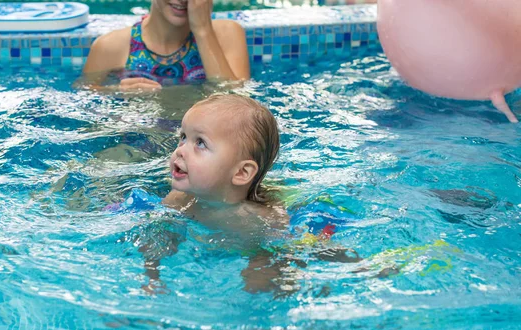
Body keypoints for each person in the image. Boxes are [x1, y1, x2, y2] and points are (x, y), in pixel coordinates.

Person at [111, 93, 360, 295]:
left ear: (241, 173)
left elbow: (287, 249)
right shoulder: (180, 199)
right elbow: (160, 241)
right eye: (183, 137)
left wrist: (265, 269)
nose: (180, 151)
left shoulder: (256, 220)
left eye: (200, 143)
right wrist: (152, 276)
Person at [82, 0, 250, 91]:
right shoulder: (111, 46)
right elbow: (85, 95)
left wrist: (203, 30)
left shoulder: (227, 34)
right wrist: (117, 91)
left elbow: (236, 101)